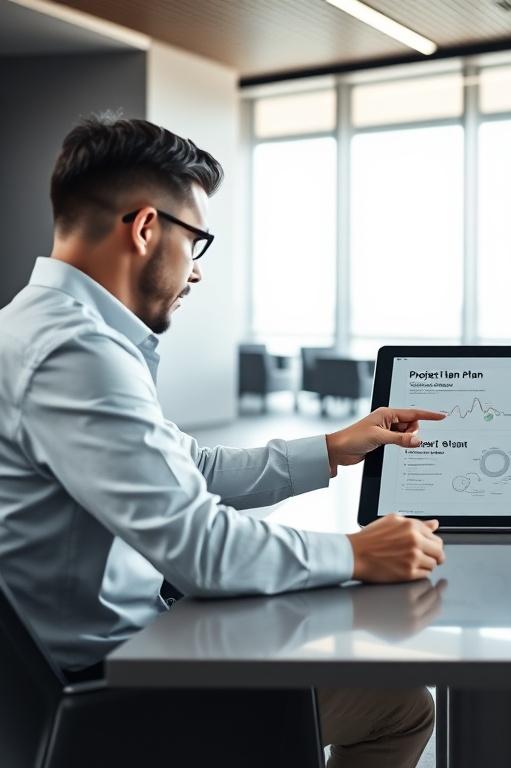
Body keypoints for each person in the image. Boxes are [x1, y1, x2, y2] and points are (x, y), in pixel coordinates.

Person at [0, 115, 444, 768]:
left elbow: (191, 466)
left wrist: (332, 447)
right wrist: (357, 554)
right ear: (147, 228)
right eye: (197, 242)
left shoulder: (42, 326)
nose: (197, 272)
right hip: (103, 686)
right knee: (399, 704)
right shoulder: (76, 352)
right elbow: (200, 549)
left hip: (105, 652)